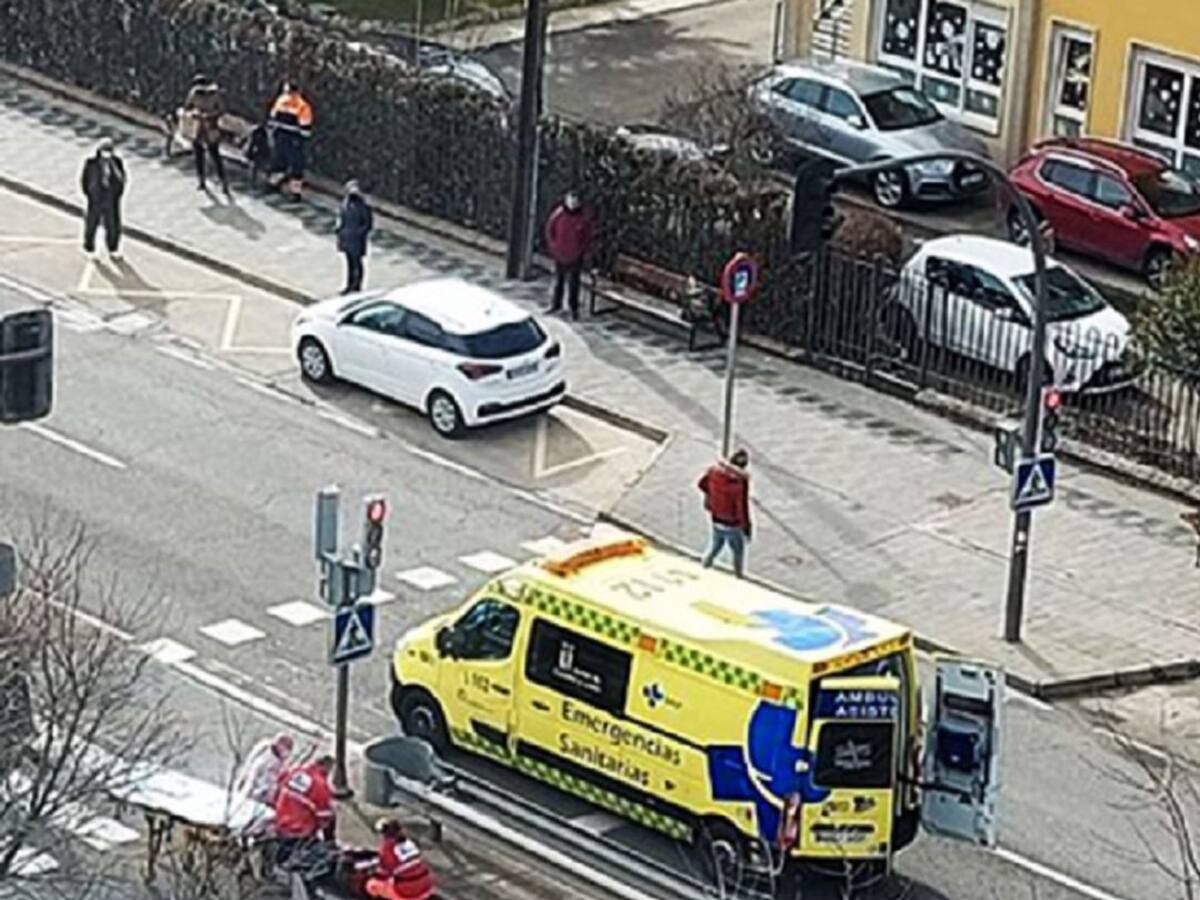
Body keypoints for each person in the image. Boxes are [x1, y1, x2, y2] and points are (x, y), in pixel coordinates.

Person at [698, 449, 752, 578]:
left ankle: (704, 566)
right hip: (732, 523)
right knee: (738, 551)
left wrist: (711, 496)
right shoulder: (739, 483)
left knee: (716, 545)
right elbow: (741, 507)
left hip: (716, 518)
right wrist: (746, 528)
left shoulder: (714, 471)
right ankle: (738, 577)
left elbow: (701, 484)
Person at [544, 190, 592, 320]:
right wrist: (554, 247)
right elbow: (550, 230)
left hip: (575, 256)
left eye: (575, 201)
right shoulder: (558, 215)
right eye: (570, 200)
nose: (572, 204)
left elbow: (586, 237)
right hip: (560, 254)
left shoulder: (582, 218)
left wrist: (582, 252)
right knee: (558, 281)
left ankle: (573, 309)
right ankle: (556, 304)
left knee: (574, 283)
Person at [274, 754, 337, 847]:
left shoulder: (296, 771)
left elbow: (279, 783)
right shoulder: (320, 785)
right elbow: (325, 817)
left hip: (280, 824)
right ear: (327, 767)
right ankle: (330, 846)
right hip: (299, 832)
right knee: (331, 816)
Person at [365, 819, 436, 900]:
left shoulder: (388, 848)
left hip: (408, 891)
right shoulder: (410, 842)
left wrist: (371, 873)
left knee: (371, 885)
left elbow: (384, 874)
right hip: (427, 885)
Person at [80, 138, 126, 259]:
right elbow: (85, 180)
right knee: (92, 223)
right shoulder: (91, 163)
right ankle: (89, 248)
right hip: (96, 198)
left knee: (113, 224)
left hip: (110, 198)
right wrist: (90, 193)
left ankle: (113, 248)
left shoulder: (116, 162)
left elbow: (122, 178)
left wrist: (117, 193)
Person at [184, 74, 228, 194]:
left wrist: (201, 114)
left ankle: (209, 181)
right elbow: (221, 109)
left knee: (206, 155)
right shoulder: (212, 94)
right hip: (206, 127)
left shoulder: (196, 93)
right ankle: (215, 181)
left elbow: (187, 107)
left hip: (204, 127)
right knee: (211, 155)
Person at [268, 81, 313, 199]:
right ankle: (295, 192)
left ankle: (273, 183)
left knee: (279, 160)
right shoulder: (302, 105)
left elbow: (272, 118)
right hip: (295, 139)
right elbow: (305, 128)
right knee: (296, 165)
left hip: (280, 136)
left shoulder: (281, 101)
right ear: (298, 91)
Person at [335, 180, 374, 294]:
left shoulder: (363, 206)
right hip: (346, 239)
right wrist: (339, 230)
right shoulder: (345, 204)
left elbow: (367, 224)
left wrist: (357, 233)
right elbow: (341, 218)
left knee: (357, 264)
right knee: (349, 264)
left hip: (356, 241)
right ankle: (349, 284)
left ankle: (357, 286)